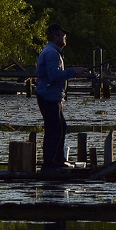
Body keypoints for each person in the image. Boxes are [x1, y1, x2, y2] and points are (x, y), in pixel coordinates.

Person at [35, 25, 90, 170]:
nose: (65, 38)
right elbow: (54, 75)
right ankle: (50, 163)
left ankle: (57, 160)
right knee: (55, 130)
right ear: (55, 37)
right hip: (48, 96)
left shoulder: (53, 51)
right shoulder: (52, 53)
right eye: (63, 35)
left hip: (51, 96)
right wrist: (73, 71)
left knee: (60, 127)